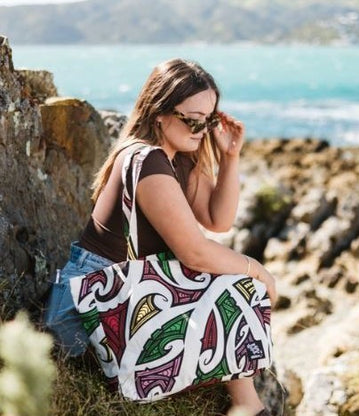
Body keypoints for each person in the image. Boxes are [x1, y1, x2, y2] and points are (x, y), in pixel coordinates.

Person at [45, 58, 277, 416]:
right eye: (193, 119)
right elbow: (194, 254)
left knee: (226, 276)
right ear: (159, 113)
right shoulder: (146, 159)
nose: (202, 128)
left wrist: (230, 157)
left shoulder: (179, 156)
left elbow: (219, 220)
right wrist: (258, 270)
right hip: (85, 309)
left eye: (210, 118)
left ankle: (245, 403)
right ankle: (247, 404)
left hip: (125, 298)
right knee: (233, 280)